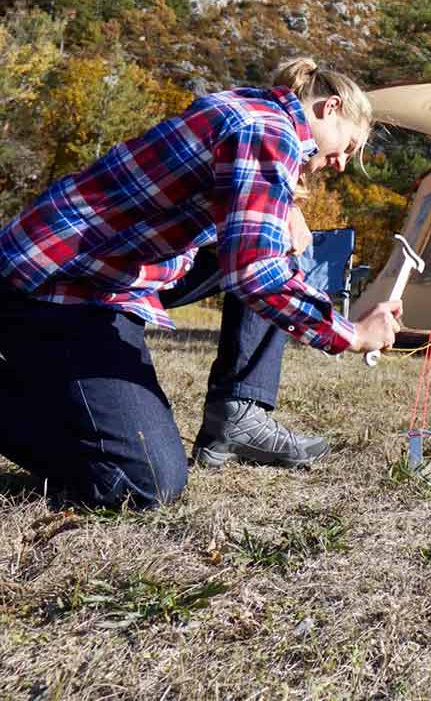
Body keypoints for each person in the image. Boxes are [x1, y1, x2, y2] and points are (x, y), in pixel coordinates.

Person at [0, 57, 401, 510]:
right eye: (348, 146)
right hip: (58, 284)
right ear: (329, 108)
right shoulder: (269, 132)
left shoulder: (254, 112)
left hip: (109, 269)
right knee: (145, 482)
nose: (342, 164)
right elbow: (255, 274)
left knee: (277, 241)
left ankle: (237, 413)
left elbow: (242, 232)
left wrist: (285, 209)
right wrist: (352, 335)